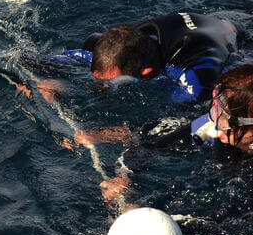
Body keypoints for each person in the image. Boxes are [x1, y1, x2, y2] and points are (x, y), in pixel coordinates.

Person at [75, 64, 253, 204]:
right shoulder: (214, 126)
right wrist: (124, 177)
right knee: (165, 129)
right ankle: (131, 133)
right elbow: (153, 147)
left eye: (224, 120)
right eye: (216, 110)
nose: (214, 124)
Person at [33, 12, 238, 104]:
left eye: (112, 85)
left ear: (146, 75)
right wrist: (42, 81)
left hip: (239, 28)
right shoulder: (100, 49)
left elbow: (190, 125)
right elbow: (28, 60)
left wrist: (127, 135)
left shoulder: (192, 73)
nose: (98, 91)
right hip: (200, 22)